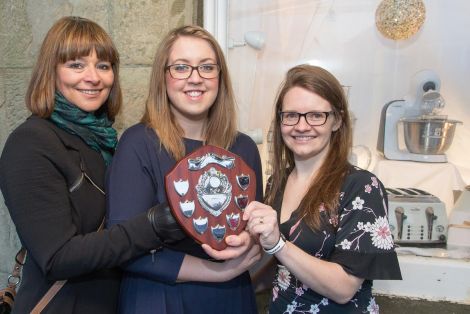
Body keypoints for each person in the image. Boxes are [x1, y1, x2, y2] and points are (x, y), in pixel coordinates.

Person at [0, 16, 189, 314]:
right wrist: (154, 224)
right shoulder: (30, 143)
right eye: (76, 65)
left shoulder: (106, 143)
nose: (93, 77)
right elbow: (58, 257)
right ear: (51, 72)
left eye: (103, 65)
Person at [105, 25, 264, 314]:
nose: (195, 79)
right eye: (181, 67)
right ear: (163, 77)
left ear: (220, 77)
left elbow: (255, 233)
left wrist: (249, 242)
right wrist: (220, 271)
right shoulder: (138, 143)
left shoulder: (243, 148)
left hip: (231, 299)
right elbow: (123, 249)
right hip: (159, 299)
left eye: (206, 67)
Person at [244, 64, 402, 313]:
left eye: (316, 115)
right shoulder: (278, 181)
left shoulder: (361, 187)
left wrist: (278, 245)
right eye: (291, 115)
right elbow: (279, 266)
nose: (302, 126)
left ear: (337, 120)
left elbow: (344, 288)